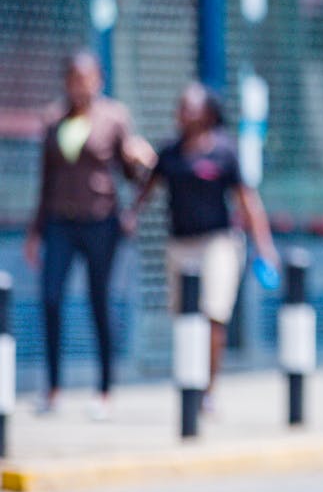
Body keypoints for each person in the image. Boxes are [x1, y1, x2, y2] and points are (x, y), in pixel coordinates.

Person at [128, 82, 280, 403]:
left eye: (190, 106)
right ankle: (189, 384)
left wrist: (265, 247)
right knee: (185, 319)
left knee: (214, 314)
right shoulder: (170, 152)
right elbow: (146, 187)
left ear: (207, 113)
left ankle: (208, 390)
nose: (183, 112)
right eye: (180, 106)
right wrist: (130, 213)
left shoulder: (224, 151)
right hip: (179, 244)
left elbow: (247, 201)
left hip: (218, 243)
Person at [24, 51, 154, 419]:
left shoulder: (114, 117)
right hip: (59, 223)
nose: (80, 86)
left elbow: (132, 177)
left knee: (100, 303)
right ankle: (52, 388)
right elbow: (45, 181)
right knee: (51, 299)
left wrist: (137, 162)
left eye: (87, 78)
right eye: (74, 78)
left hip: (100, 223)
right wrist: (36, 232)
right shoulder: (53, 120)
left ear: (99, 79)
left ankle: (105, 391)